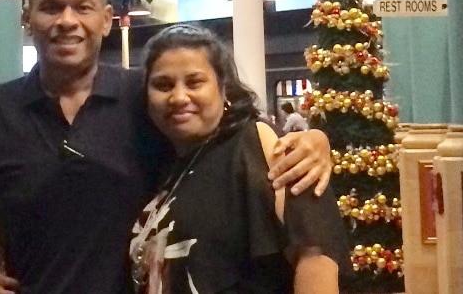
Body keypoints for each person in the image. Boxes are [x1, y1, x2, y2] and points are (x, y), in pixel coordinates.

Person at [0, 0, 334, 294]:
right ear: (28, 18)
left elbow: (228, 130)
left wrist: (314, 139)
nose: (67, 20)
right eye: (51, 7)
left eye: (82, 7)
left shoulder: (143, 97)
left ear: (105, 20)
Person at [130, 24, 348, 292]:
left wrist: (317, 137)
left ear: (224, 89)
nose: (178, 96)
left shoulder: (261, 145)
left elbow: (316, 255)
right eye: (163, 85)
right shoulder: (163, 163)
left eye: (194, 82)